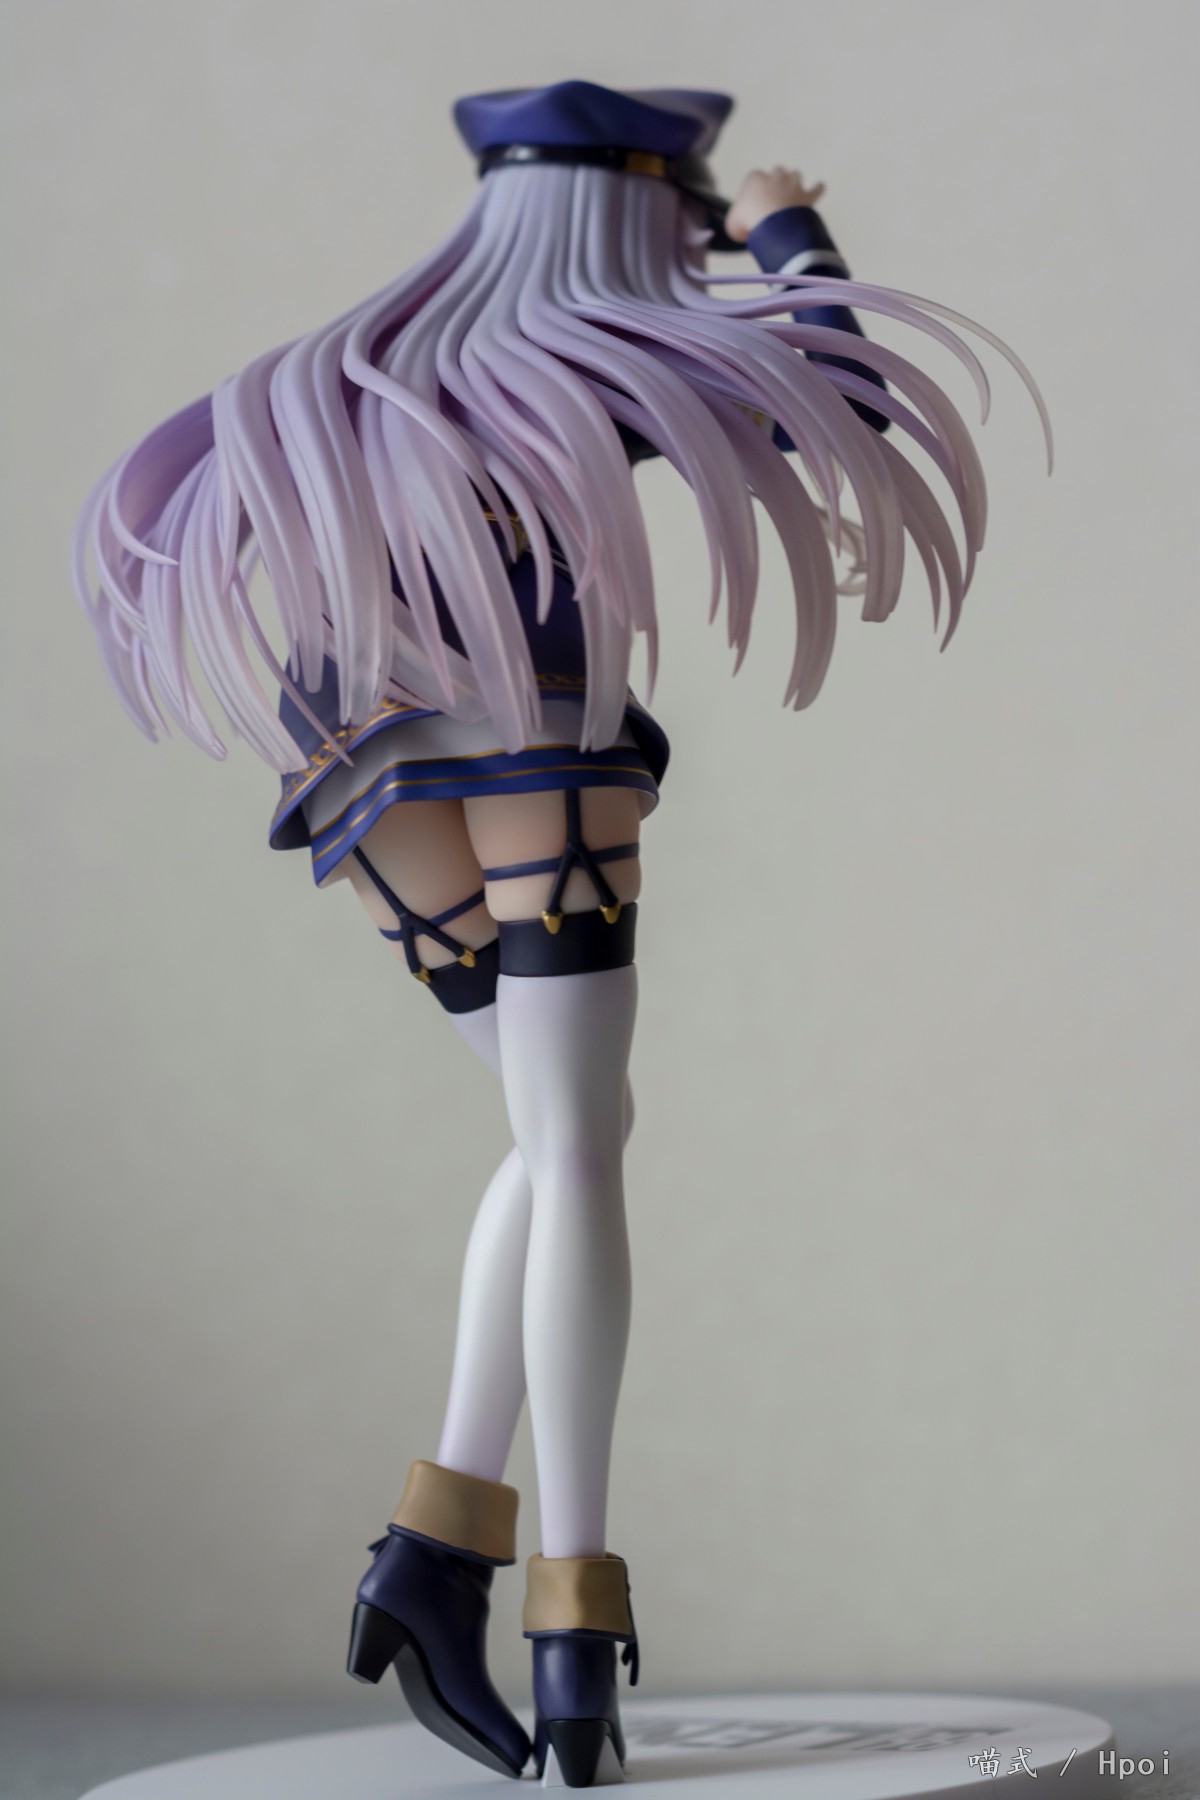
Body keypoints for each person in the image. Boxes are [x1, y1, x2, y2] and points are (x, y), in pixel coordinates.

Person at [72, 80, 1050, 1788]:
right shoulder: (592, 357)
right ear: (641, 212)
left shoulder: (371, 370)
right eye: (680, 216)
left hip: (358, 769)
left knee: (556, 1132)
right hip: (529, 738)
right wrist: (783, 228)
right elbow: (845, 390)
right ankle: (569, 1616)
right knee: (582, 1149)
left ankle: (434, 1548)